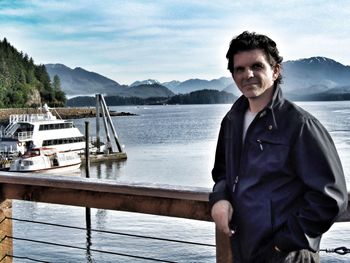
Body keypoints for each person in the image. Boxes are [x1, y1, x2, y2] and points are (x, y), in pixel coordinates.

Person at [209, 31, 348, 263]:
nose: (248, 75)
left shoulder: (300, 125)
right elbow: (222, 171)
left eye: (257, 66)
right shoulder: (232, 120)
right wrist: (220, 199)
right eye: (239, 69)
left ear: (275, 71)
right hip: (244, 249)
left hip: (287, 256)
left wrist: (284, 242)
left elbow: (331, 197)